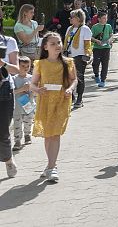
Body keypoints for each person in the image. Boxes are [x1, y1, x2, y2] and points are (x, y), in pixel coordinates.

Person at [29, 32, 78, 182]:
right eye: (53, 44)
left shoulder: (68, 62)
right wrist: (37, 90)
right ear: (45, 47)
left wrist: (70, 89)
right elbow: (32, 84)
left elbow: (74, 79)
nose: (57, 46)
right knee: (48, 135)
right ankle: (50, 165)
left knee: (55, 134)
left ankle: (52, 167)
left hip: (61, 102)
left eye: (59, 43)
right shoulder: (40, 64)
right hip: (45, 102)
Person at [1, 25, 20, 178]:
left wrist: (3, 64)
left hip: (4, 91)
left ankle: (8, 159)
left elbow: (17, 70)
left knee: (2, 131)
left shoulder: (9, 41)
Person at [64, 9, 93, 109]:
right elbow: (66, 43)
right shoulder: (69, 29)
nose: (70, 19)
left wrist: (88, 55)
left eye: (72, 17)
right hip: (68, 56)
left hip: (79, 56)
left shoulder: (85, 29)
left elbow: (87, 44)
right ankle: (72, 97)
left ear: (78, 18)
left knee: (79, 78)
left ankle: (79, 98)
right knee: (67, 77)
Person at [12, 56, 35, 151]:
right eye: (23, 66)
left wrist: (30, 90)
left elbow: (34, 91)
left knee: (28, 121)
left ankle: (27, 135)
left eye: (28, 66)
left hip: (28, 103)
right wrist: (21, 89)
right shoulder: (13, 79)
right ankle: (17, 140)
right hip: (17, 105)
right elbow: (11, 92)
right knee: (17, 123)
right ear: (17, 66)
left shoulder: (31, 78)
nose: (25, 68)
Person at [90, 11, 113, 87]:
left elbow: (111, 34)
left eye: (106, 18)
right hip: (97, 48)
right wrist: (97, 41)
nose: (105, 19)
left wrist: (110, 40)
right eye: (103, 18)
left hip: (106, 48)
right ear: (99, 19)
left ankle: (103, 80)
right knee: (95, 63)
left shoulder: (108, 26)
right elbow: (90, 37)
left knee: (105, 64)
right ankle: (96, 75)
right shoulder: (94, 27)